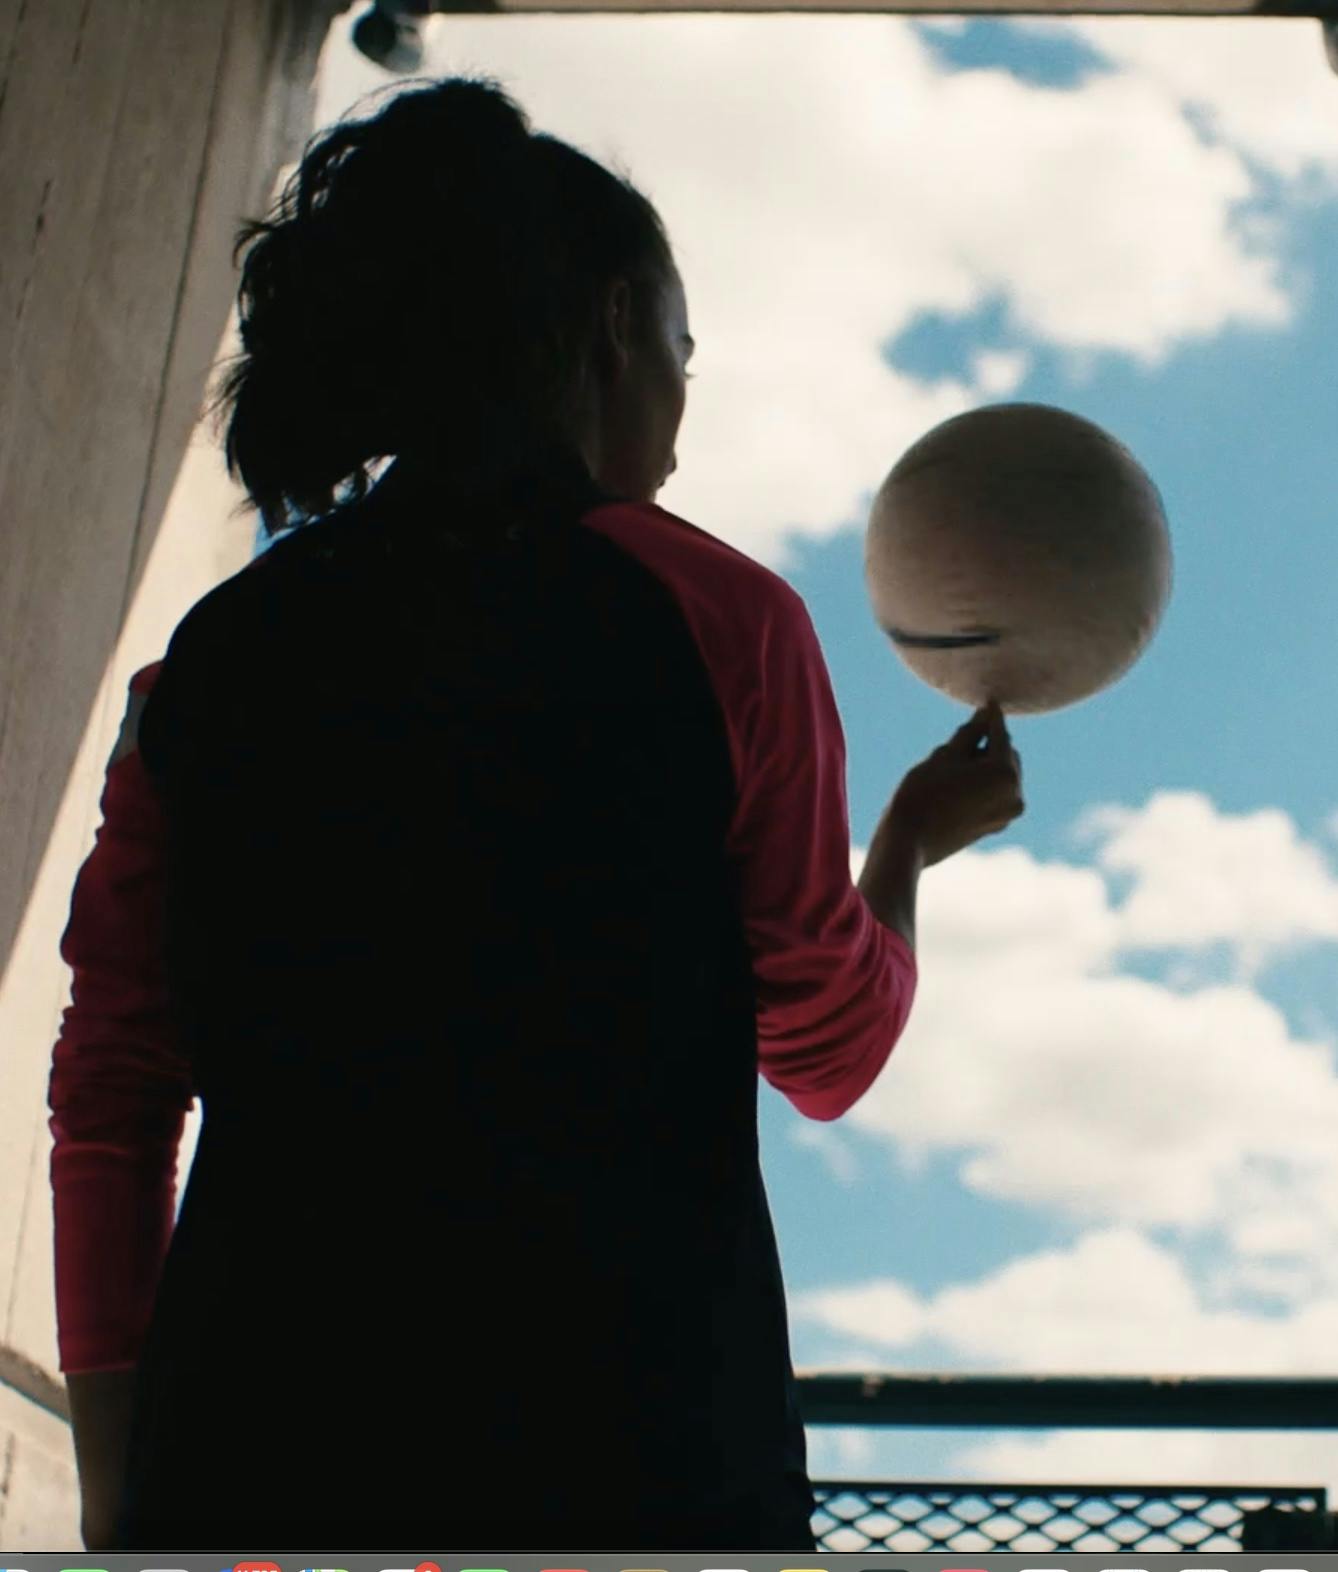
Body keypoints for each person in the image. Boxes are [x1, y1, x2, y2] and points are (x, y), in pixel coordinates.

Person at [48, 74, 1024, 1554]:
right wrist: (901, 850)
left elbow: (115, 1087)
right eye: (684, 346)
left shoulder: (211, 663)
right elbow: (826, 1048)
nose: (685, 405)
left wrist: (124, 1468)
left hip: (260, 1443)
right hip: (630, 1447)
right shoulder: (719, 619)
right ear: (615, 325)